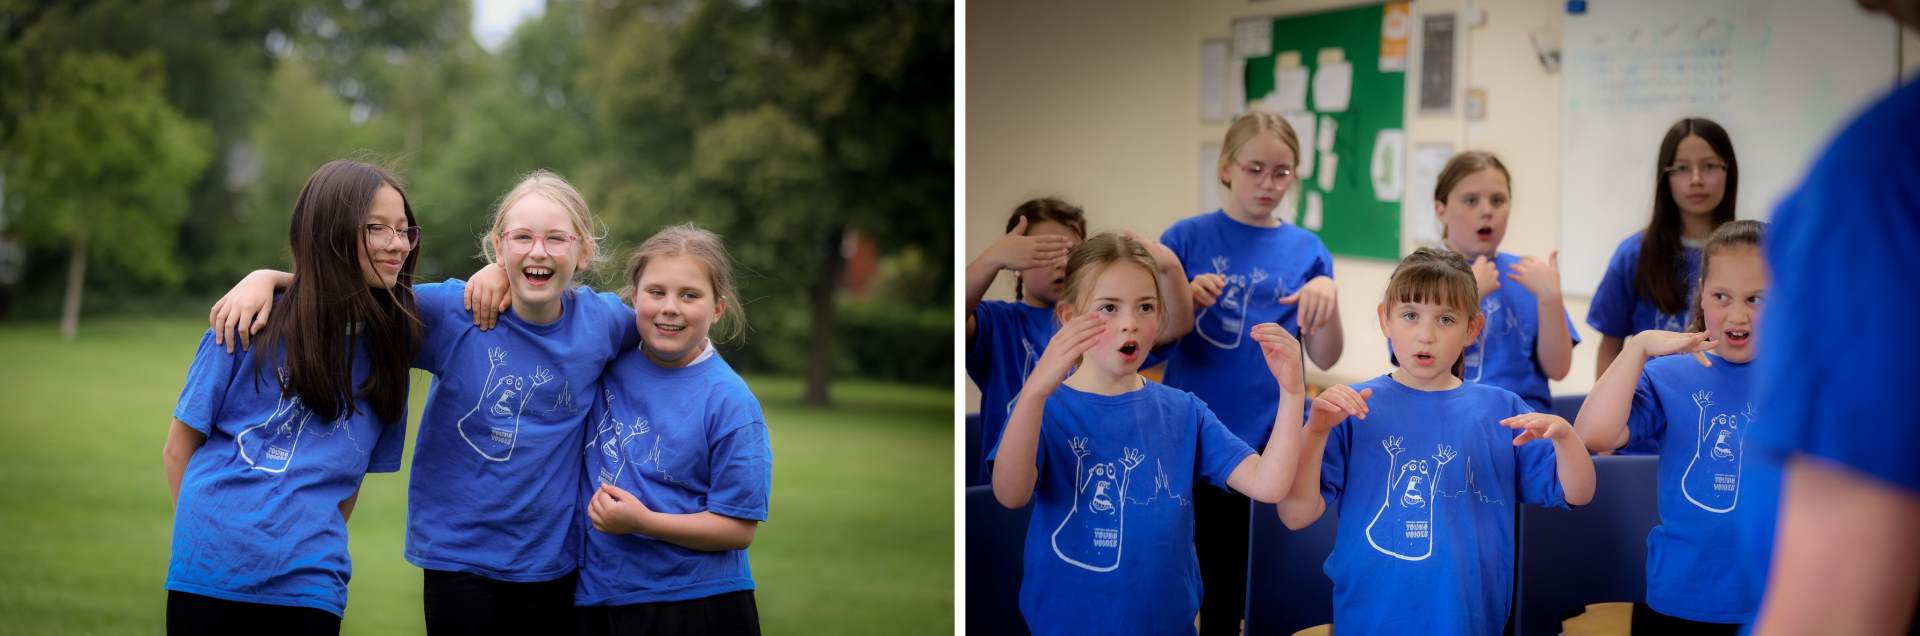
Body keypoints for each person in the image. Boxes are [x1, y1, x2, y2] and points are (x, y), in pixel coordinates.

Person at [165, 160, 420, 634]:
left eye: (405, 230)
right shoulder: (245, 325)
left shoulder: (390, 349)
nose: (397, 244)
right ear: (330, 233)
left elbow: (350, 481)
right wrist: (208, 540)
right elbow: (179, 447)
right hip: (207, 575)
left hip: (312, 585)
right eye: (378, 228)